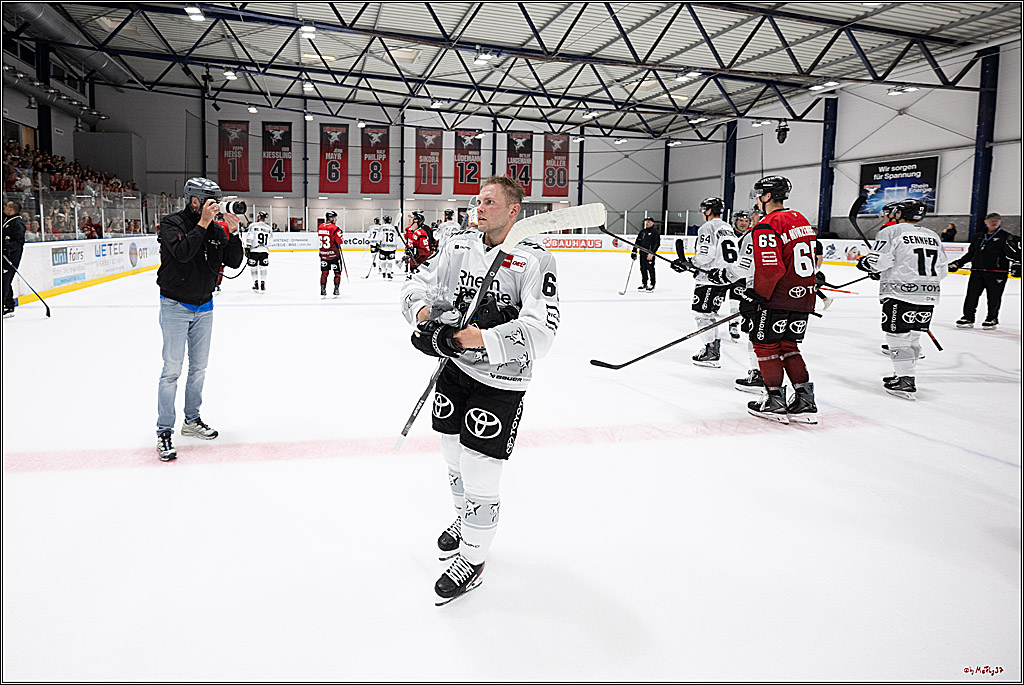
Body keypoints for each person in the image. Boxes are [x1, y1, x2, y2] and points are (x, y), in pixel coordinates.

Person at [401, 175, 558, 604]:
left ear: (513, 210)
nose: (479, 207)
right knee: (451, 455)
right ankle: (463, 519)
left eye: (489, 201)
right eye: (477, 200)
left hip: (500, 381)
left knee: (480, 471)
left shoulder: (534, 260)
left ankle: (473, 557)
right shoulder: (458, 246)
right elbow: (420, 283)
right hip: (455, 371)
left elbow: (542, 332)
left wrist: (480, 338)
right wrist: (421, 314)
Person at [154, 177, 243, 461]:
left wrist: (234, 232)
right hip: (175, 305)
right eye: (209, 201)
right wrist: (203, 224)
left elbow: (233, 261)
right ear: (194, 200)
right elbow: (181, 254)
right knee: (171, 371)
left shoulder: (216, 227)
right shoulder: (172, 224)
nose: (214, 206)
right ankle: (164, 431)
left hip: (205, 306)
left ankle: (191, 420)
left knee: (199, 369)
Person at [738, 176, 818, 424]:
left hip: (777, 297)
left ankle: (774, 400)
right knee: (789, 347)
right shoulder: (800, 219)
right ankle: (805, 400)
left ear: (766, 196)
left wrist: (757, 297)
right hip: (804, 296)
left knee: (765, 346)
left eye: (759, 195)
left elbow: (770, 268)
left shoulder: (767, 224)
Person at [855, 198, 947, 400]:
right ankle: (904, 374)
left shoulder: (891, 232)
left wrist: (865, 264)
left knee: (897, 337)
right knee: (914, 335)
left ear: (898, 213)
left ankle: (905, 380)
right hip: (929, 294)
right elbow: (943, 270)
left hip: (900, 293)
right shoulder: (932, 235)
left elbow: (880, 262)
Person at [675, 197, 736, 367]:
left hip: (709, 278)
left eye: (704, 210)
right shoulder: (727, 227)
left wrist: (691, 263)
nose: (702, 213)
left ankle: (711, 352)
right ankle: (712, 348)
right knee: (709, 314)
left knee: (702, 314)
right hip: (724, 277)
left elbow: (706, 254)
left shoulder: (707, 227)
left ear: (708, 210)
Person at [948, 212, 1021, 330]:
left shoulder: (1006, 237)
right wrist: (958, 263)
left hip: (997, 273)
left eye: (997, 220)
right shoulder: (978, 236)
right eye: (992, 220)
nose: (994, 222)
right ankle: (968, 317)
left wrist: (1017, 266)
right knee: (971, 296)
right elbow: (971, 254)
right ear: (985, 222)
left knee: (994, 297)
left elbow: (1015, 255)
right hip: (977, 271)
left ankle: (991, 318)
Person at [3, 200, 27, 317]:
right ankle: (9, 304)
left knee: (4, 281)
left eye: (6, 206)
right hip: (4, 256)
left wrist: (5, 248)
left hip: (10, 258)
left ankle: (8, 306)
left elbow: (19, 242)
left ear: (11, 210)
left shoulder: (18, 223)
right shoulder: (6, 218)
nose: (4, 207)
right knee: (4, 281)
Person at [631, 216, 661, 292]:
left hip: (649, 254)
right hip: (642, 253)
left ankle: (652, 284)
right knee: (643, 268)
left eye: (649, 221)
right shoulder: (642, 232)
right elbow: (637, 242)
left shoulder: (655, 232)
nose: (647, 223)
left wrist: (652, 253)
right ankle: (644, 283)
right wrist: (634, 251)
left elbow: (657, 244)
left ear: (652, 223)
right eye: (646, 222)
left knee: (650, 269)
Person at [245, 211, 273, 292]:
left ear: (259, 217)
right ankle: (263, 283)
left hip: (254, 250)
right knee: (263, 268)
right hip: (264, 251)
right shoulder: (269, 228)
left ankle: (256, 283)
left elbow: (250, 236)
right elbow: (271, 241)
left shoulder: (253, 226)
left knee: (253, 268)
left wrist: (248, 247)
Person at [318, 211, 344, 297]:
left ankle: (323, 289)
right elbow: (340, 241)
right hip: (334, 255)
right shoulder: (335, 228)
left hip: (323, 254)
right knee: (337, 273)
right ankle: (336, 289)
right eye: (335, 218)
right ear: (331, 218)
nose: (336, 220)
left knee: (324, 273)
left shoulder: (320, 226)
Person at [404, 212, 432, 277]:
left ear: (416, 220)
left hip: (420, 265)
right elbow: (409, 245)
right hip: (413, 263)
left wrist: (414, 251)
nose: (409, 219)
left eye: (411, 218)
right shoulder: (409, 231)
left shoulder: (421, 234)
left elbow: (426, 252)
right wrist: (406, 254)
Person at [377, 215, 399, 280]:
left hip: (383, 247)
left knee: (382, 261)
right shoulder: (394, 228)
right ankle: (389, 273)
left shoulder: (381, 227)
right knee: (390, 261)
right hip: (392, 248)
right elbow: (396, 239)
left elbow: (379, 237)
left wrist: (378, 244)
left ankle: (384, 273)